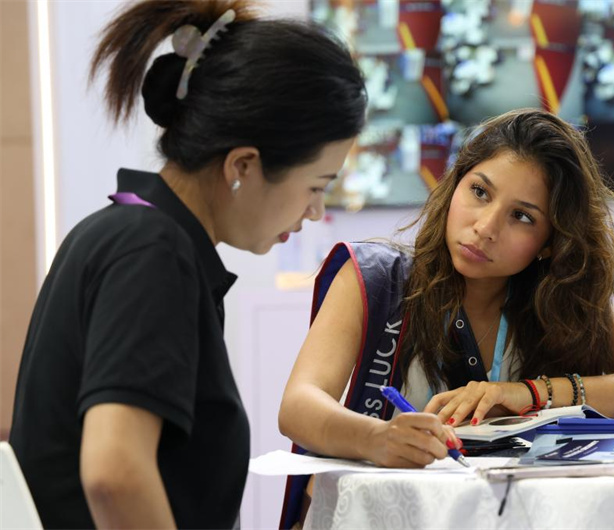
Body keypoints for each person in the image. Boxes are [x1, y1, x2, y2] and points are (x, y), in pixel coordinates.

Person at [9, 0, 366, 528]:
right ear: (243, 165)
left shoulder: (131, 233)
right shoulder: (153, 253)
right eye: (316, 187)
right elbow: (115, 472)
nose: (315, 212)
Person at [278, 108, 614, 526]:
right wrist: (378, 439)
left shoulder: (563, 306)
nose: (486, 226)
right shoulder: (375, 280)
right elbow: (298, 407)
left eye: (522, 217)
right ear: (454, 185)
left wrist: (534, 393)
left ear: (548, 242)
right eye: (480, 192)